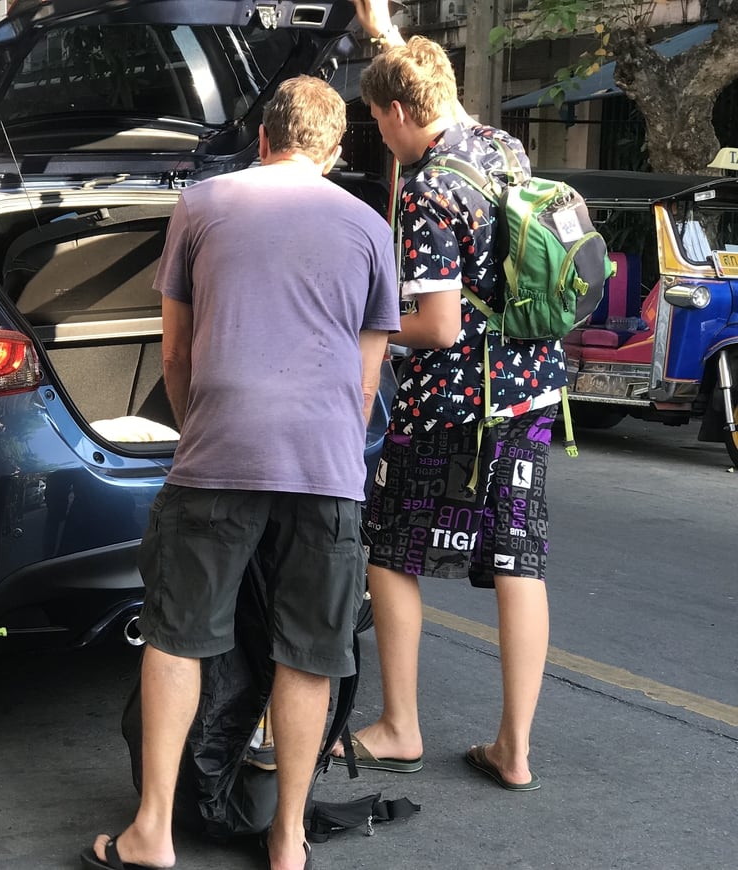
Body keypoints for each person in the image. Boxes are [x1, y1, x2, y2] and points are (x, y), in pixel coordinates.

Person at [83, 75, 400, 870]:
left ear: (263, 139)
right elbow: (365, 382)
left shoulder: (202, 205)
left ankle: (151, 831)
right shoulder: (368, 226)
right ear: (332, 151)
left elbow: (177, 352)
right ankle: (288, 839)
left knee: (178, 637)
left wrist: (204, 431)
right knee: (309, 655)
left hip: (218, 451)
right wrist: (326, 447)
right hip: (325, 465)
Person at [337, 0, 568, 792]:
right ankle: (516, 748)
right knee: (518, 559)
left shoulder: (433, 192)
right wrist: (387, 38)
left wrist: (363, 322)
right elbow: (439, 92)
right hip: (531, 390)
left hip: (452, 405)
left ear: (400, 113)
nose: (381, 139)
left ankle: (400, 724)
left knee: (391, 551)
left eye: (378, 122)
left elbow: (434, 327)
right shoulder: (501, 146)